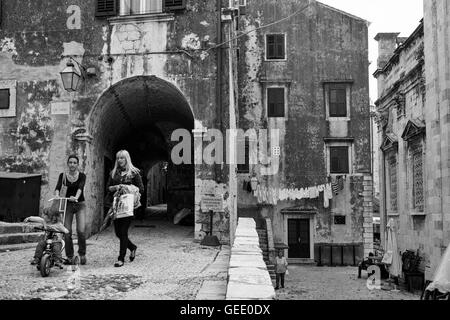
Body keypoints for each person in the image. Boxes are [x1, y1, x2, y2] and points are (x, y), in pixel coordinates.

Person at [105, 150, 144, 267]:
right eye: (118, 158)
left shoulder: (134, 173)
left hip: (128, 206)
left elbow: (141, 188)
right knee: (118, 233)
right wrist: (116, 187)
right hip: (116, 206)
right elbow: (108, 188)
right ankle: (132, 247)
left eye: (122, 158)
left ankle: (121, 258)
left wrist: (127, 187)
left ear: (127, 159)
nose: (120, 160)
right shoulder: (113, 173)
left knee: (123, 231)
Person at [55, 155, 87, 265]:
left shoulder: (82, 176)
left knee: (81, 230)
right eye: (70, 162)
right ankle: (70, 256)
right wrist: (57, 195)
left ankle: (82, 253)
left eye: (74, 163)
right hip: (67, 205)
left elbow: (80, 188)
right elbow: (58, 187)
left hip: (79, 204)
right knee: (67, 231)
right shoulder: (63, 176)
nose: (72, 164)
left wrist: (76, 197)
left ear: (78, 164)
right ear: (68, 164)